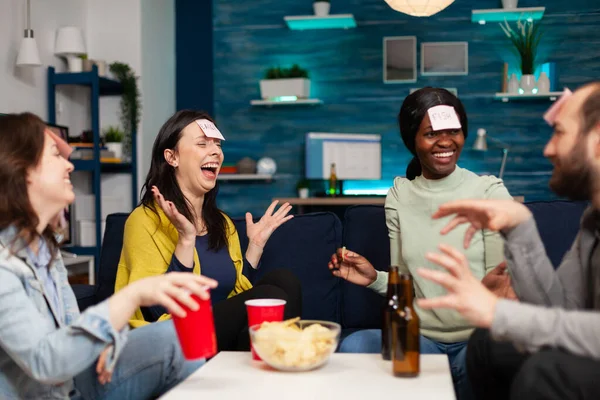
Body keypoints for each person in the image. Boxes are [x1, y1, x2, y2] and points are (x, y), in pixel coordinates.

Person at [0, 112, 217, 399]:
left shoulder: (46, 250)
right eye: (55, 154)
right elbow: (46, 362)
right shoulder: (4, 267)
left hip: (73, 383)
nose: (69, 165)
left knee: (176, 335)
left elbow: (69, 328)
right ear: (22, 170)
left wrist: (105, 343)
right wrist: (132, 296)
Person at [416, 83, 600, 400]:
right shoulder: (591, 223)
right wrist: (520, 227)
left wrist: (498, 312)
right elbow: (558, 309)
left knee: (546, 372)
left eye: (558, 132)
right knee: (491, 345)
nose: (548, 150)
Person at [329, 88, 514, 400]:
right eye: (431, 134)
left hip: (478, 339)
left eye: (453, 131)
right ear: (412, 140)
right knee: (353, 345)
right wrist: (374, 278)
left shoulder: (489, 192)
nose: (445, 142)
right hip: (420, 339)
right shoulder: (400, 196)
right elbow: (407, 285)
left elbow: (503, 283)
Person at [114, 110, 302, 351]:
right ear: (172, 157)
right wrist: (186, 240)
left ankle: (267, 364)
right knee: (267, 296)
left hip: (217, 338)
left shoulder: (221, 223)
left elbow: (235, 293)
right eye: (202, 144)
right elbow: (156, 309)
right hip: (174, 339)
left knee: (284, 280)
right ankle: (278, 362)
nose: (215, 151)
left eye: (217, 145)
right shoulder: (144, 220)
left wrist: (254, 247)